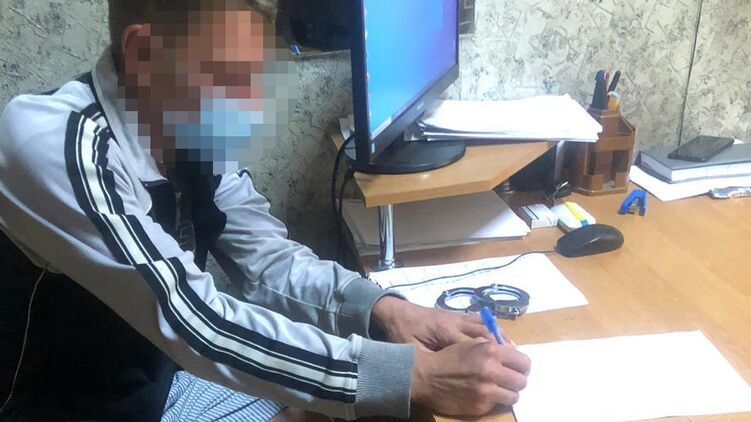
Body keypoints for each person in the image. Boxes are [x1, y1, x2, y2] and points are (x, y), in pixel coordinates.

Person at [0, 0, 531, 420]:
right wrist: (416, 375)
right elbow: (193, 320)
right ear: (145, 55)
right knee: (381, 391)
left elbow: (270, 263)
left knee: (361, 399)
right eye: (232, 75)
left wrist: (388, 311)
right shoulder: (51, 143)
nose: (252, 104)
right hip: (70, 408)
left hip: (162, 383)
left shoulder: (185, 127)